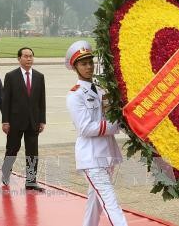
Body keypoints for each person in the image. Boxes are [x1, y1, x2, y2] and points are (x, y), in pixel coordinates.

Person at [65, 40, 127, 226]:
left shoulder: (101, 90)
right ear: (75, 67)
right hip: (91, 157)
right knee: (110, 202)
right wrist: (114, 126)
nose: (89, 66)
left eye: (91, 62)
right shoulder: (75, 95)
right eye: (83, 64)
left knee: (95, 203)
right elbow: (85, 128)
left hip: (106, 154)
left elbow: (111, 114)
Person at [1, 47, 46, 192]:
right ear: (19, 58)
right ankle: (6, 174)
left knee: (32, 152)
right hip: (15, 122)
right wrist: (5, 121)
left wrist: (42, 120)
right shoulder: (11, 76)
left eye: (31, 56)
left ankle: (31, 181)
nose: (29, 59)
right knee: (12, 149)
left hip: (33, 121)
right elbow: (6, 101)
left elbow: (41, 100)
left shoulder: (39, 76)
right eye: (25, 56)